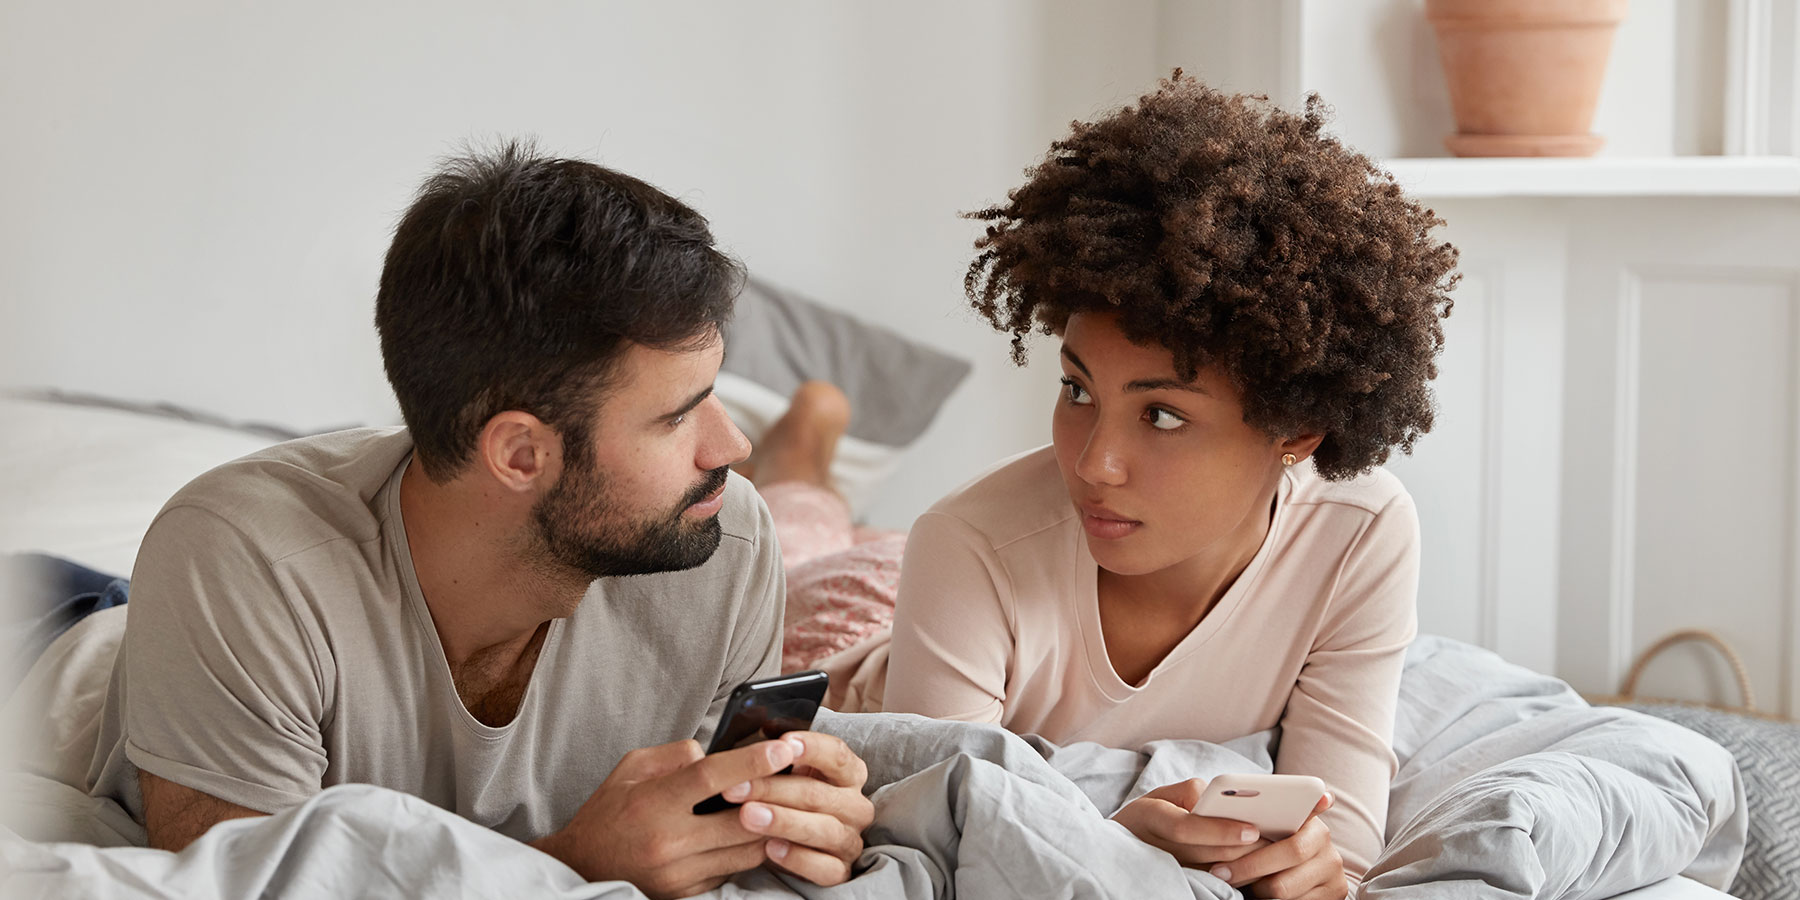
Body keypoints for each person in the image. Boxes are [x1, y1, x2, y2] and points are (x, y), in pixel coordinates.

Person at [79, 144, 874, 899]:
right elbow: (234, 885)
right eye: (678, 418)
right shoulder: (243, 564)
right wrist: (569, 867)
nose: (732, 447)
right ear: (520, 454)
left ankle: (811, 440)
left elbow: (712, 835)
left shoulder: (725, 540)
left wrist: (782, 823)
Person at [774, 75, 1458, 900]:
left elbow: (1343, 848)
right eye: (1077, 391)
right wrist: (1109, 844)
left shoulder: (1360, 532)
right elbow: (937, 840)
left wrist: (1314, 872)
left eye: (1162, 416)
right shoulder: (967, 543)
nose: (1093, 463)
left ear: (1296, 432)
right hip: (864, 619)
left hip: (948, 584)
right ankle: (806, 438)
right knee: (795, 533)